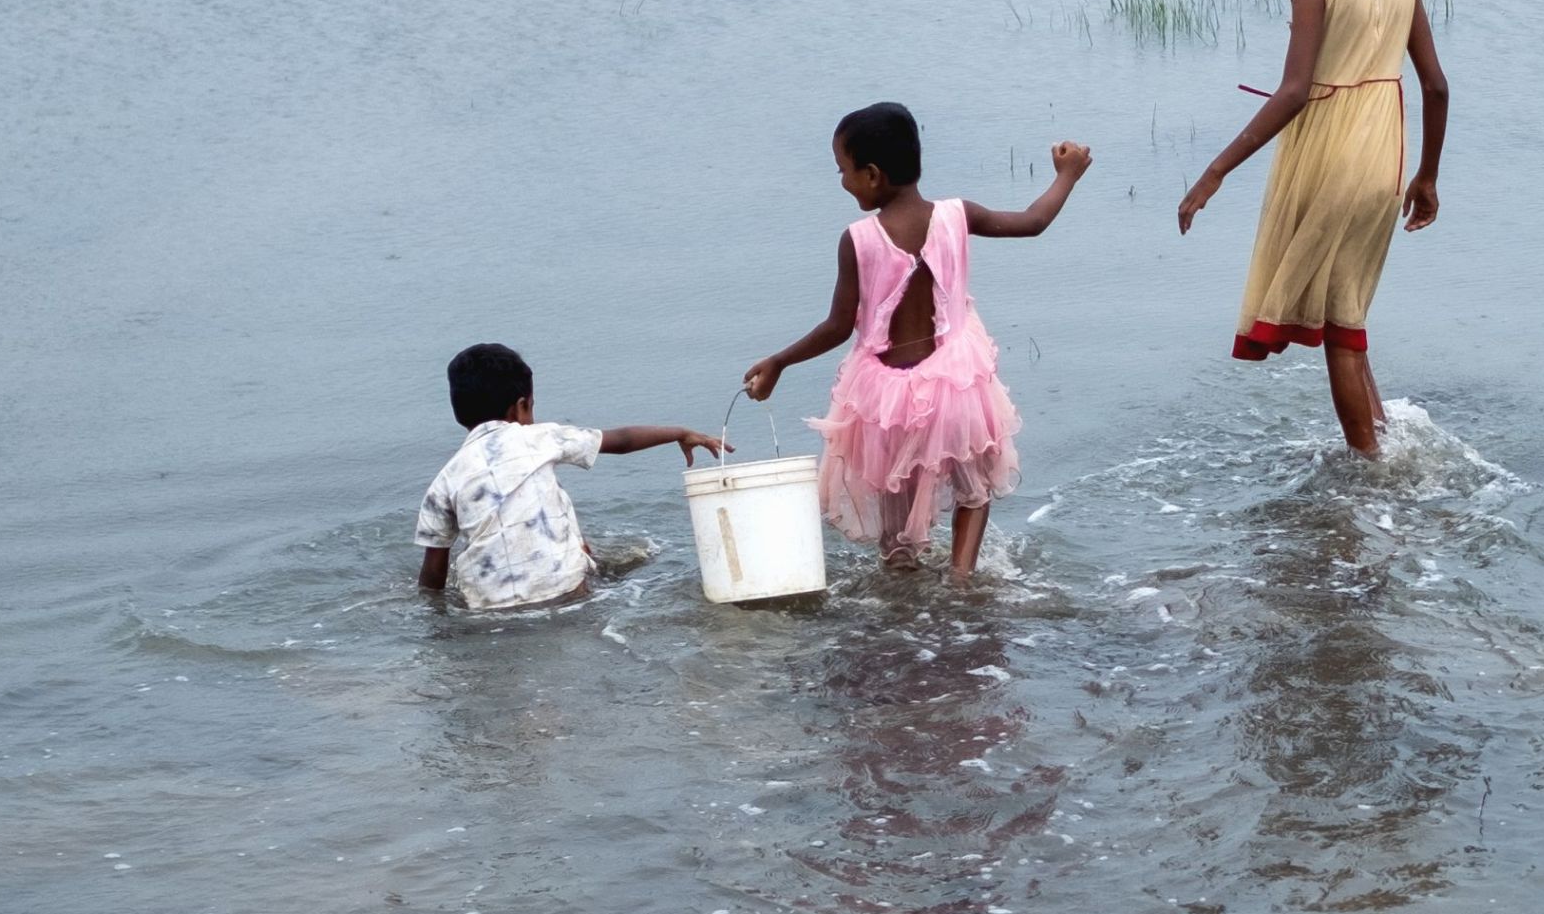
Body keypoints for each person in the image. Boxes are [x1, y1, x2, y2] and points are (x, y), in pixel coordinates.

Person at [1180, 0, 1450, 455]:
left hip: (1331, 160)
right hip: (1385, 160)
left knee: (1339, 328)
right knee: (1347, 308)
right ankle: (1382, 441)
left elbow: (1295, 92)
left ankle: (1370, 471)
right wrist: (1427, 176)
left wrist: (1214, 171)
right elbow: (1435, 85)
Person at [744, 104, 1090, 575]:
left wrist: (780, 361)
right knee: (974, 485)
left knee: (894, 490)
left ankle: (900, 573)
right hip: (951, 384)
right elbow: (1032, 221)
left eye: (843, 171)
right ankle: (963, 579)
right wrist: (1067, 174)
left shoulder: (858, 239)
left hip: (885, 396)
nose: (842, 181)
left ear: (871, 175)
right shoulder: (956, 214)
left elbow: (838, 326)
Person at [417, 343, 726, 610]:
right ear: (522, 406)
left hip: (489, 611)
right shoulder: (541, 437)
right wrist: (681, 433)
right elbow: (622, 441)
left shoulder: (444, 481)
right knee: (635, 556)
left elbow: (432, 579)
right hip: (568, 593)